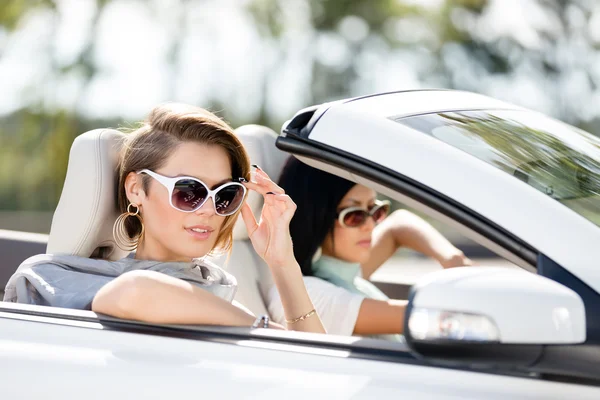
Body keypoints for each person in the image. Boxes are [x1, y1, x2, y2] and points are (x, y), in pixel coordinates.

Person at [4, 104, 325, 334]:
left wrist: (282, 263)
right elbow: (134, 292)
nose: (209, 209)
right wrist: (263, 331)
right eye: (189, 190)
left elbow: (318, 367)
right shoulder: (55, 279)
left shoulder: (217, 287)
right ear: (136, 190)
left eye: (224, 193)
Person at [267, 157, 472, 338]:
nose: (370, 224)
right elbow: (427, 317)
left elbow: (399, 224)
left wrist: (454, 259)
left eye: (375, 210)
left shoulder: (343, 273)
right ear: (316, 217)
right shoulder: (307, 294)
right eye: (353, 214)